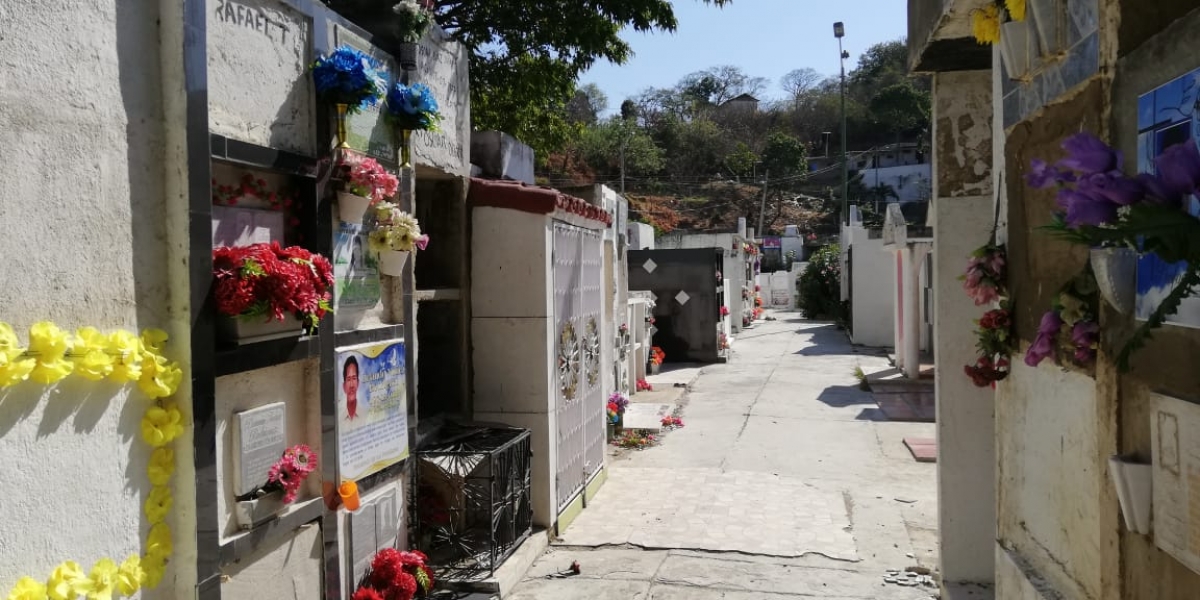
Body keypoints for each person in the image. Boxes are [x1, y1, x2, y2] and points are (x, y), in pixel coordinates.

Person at [343, 355, 360, 420]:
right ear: (344, 386)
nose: (351, 385)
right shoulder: (340, 418)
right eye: (348, 379)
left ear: (358, 383)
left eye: (354, 378)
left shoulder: (366, 415)